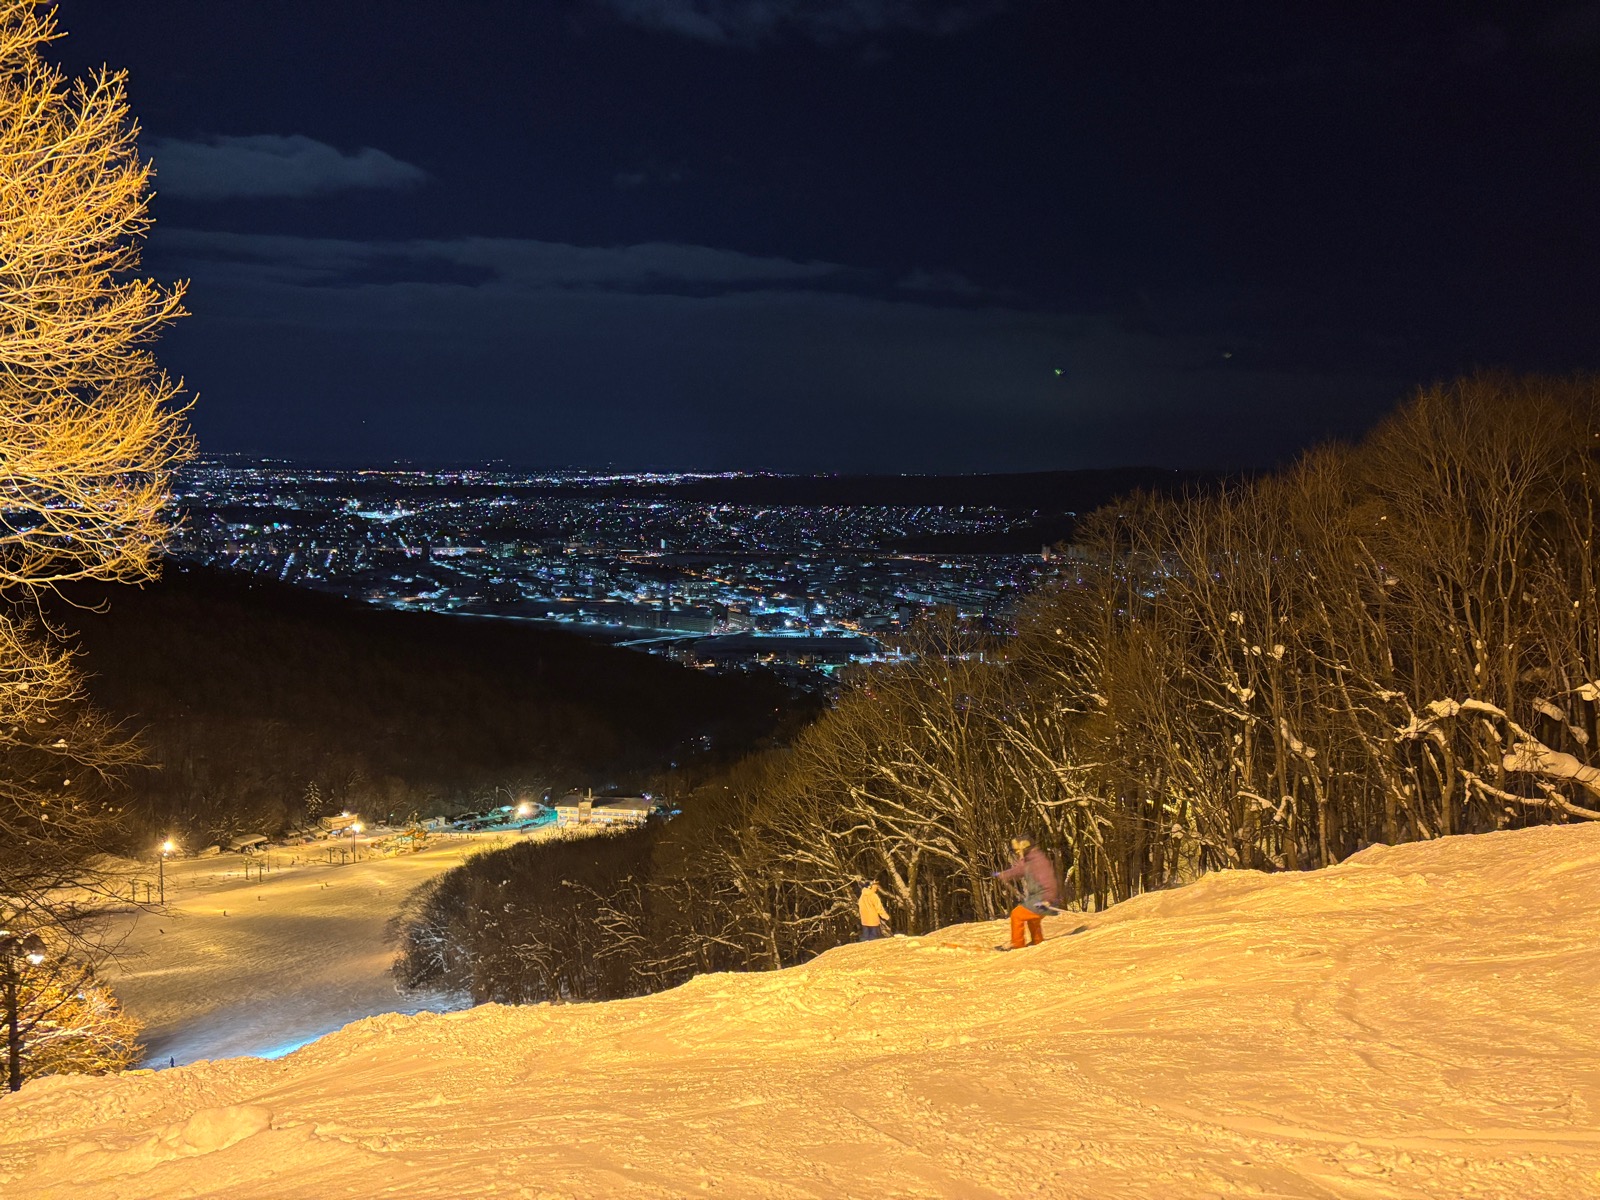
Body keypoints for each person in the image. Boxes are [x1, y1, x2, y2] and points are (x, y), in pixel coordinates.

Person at [992, 836, 1059, 950]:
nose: (1017, 853)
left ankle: (1017, 944)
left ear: (1025, 847)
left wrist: (1048, 900)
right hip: (1037, 897)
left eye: (1018, 850)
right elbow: (1019, 870)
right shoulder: (1029, 860)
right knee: (1032, 918)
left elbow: (1049, 881)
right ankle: (1037, 941)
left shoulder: (1038, 861)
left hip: (1044, 897)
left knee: (1017, 915)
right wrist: (1004, 874)